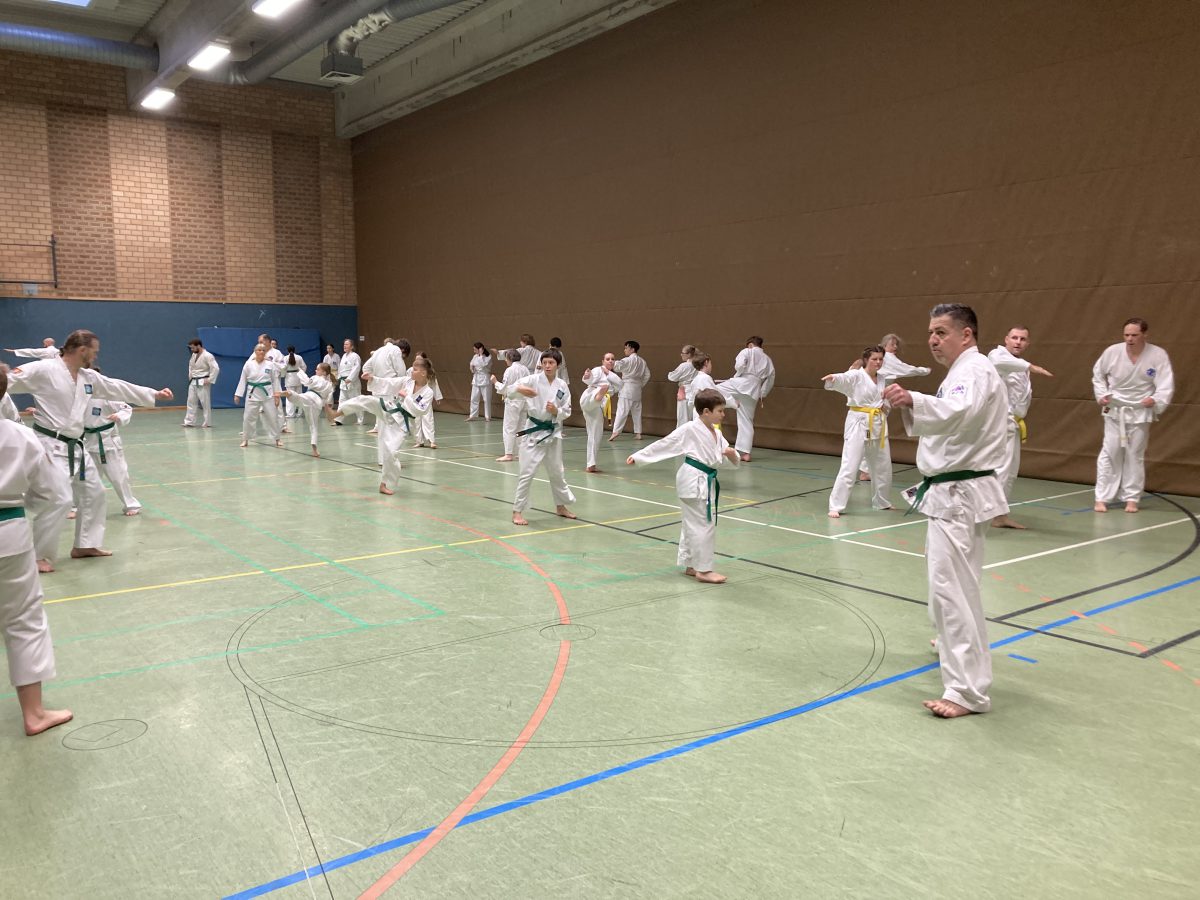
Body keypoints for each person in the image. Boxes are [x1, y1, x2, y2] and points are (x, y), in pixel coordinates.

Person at [883, 303, 1009, 719]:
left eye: (941, 332)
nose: (933, 340)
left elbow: (958, 413)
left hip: (959, 493)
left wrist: (912, 397)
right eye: (930, 333)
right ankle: (950, 645)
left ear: (966, 334)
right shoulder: (963, 372)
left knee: (951, 589)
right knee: (952, 586)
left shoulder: (974, 370)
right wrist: (913, 403)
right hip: (953, 492)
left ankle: (967, 691)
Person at [7, 330, 171, 573]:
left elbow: (117, 387)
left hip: (76, 445)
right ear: (82, 350)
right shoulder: (44, 369)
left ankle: (86, 545)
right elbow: (7, 381)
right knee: (60, 500)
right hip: (50, 445)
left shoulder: (87, 377)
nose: (95, 357)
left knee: (94, 493)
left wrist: (153, 394)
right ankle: (40, 556)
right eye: (94, 352)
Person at [0, 367, 73, 735]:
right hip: (8, 533)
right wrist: (18, 497)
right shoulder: (20, 436)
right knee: (23, 619)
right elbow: (51, 492)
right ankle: (34, 714)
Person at [627, 388, 740, 583]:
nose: (723, 414)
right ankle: (704, 570)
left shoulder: (715, 432)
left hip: (702, 479)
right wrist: (640, 456)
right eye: (720, 411)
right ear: (706, 412)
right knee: (703, 525)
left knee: (691, 523)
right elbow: (667, 444)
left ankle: (690, 564)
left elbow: (727, 455)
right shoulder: (690, 429)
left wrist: (732, 454)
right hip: (694, 480)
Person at [1092, 318, 1174, 514]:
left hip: (1140, 409)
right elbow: (1098, 375)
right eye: (1126, 335)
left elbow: (1166, 382)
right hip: (1115, 408)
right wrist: (1102, 395)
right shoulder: (1112, 352)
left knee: (1135, 455)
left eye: (1134, 335)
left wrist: (1156, 399)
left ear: (1145, 334)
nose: (1129, 339)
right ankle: (1102, 497)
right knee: (1110, 452)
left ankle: (1131, 498)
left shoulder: (1158, 354)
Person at [987, 327, 1054, 528]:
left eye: (1022, 339)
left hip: (1013, 423)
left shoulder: (1020, 366)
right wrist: (1031, 367)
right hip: (1001, 422)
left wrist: (1027, 367)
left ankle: (999, 514)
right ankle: (993, 514)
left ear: (1028, 343)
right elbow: (998, 361)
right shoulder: (997, 355)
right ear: (1006, 339)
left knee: (1010, 471)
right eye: (1014, 338)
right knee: (1001, 469)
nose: (1018, 342)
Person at [821, 346, 894, 518]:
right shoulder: (857, 375)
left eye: (880, 359)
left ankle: (882, 501)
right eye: (874, 359)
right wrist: (834, 378)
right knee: (850, 465)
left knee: (883, 466)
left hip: (878, 423)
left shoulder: (883, 379)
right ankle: (836, 505)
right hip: (858, 423)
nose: (878, 362)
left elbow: (885, 400)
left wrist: (885, 407)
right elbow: (844, 378)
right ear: (866, 360)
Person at [506, 349, 576, 525]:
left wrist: (556, 411)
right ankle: (517, 511)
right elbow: (509, 390)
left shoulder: (562, 385)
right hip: (533, 432)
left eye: (551, 363)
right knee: (527, 473)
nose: (547, 366)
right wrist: (519, 388)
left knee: (557, 472)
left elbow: (567, 409)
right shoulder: (533, 380)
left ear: (558, 365)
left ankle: (561, 506)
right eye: (544, 362)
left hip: (553, 432)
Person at [855, 334, 930, 481]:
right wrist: (924, 370)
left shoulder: (880, 360)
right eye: (892, 344)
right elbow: (905, 369)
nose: (895, 347)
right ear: (884, 345)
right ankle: (865, 470)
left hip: (877, 402)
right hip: (875, 403)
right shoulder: (887, 358)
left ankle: (867, 469)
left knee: (873, 435)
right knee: (872, 435)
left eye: (896, 344)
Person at [362, 358, 436, 495]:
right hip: (392, 413)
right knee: (365, 400)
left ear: (423, 373)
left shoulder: (428, 392)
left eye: (415, 369)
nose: (411, 371)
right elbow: (389, 383)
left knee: (391, 452)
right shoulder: (407, 381)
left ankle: (384, 484)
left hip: (404, 424)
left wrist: (407, 397)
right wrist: (373, 378)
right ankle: (338, 412)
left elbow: (419, 410)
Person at [82, 395, 141, 516]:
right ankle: (81, 506)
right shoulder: (78, 397)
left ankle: (131, 504)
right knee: (86, 478)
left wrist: (119, 416)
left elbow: (126, 408)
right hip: (87, 442)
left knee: (118, 476)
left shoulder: (106, 395)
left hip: (108, 442)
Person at [720, 336, 775, 462]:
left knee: (712, 390)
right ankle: (745, 453)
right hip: (754, 389)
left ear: (750, 344)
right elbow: (771, 378)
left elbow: (739, 365)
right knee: (746, 421)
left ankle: (731, 403)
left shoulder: (747, 351)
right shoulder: (768, 359)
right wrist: (762, 393)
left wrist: (739, 372)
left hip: (741, 383)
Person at [276, 363, 335, 457]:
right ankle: (314, 449)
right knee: (313, 426)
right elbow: (327, 400)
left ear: (324, 372)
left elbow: (306, 381)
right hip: (318, 404)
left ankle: (288, 393)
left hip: (309, 397)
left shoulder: (316, 378)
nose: (315, 371)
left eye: (317, 369)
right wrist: (329, 413)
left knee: (298, 397)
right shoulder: (330, 385)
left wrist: (300, 371)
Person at [235, 343, 283, 449]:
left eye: (263, 350)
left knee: (272, 416)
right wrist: (238, 394)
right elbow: (242, 379)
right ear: (255, 351)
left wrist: (277, 395)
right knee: (248, 417)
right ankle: (245, 439)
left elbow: (275, 380)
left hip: (268, 393)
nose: (261, 352)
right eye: (259, 350)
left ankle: (277, 438)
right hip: (252, 393)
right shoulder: (248, 364)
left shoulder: (270, 364)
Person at [580, 352, 621, 472]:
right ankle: (598, 395)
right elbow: (588, 380)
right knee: (598, 392)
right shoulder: (598, 370)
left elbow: (620, 384)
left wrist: (609, 373)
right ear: (603, 361)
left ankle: (591, 464)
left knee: (595, 434)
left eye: (612, 359)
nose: (610, 361)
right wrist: (587, 375)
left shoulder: (613, 376)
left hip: (598, 407)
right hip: (589, 397)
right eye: (607, 359)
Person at [491, 350, 530, 462]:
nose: (505, 361)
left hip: (513, 401)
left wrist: (495, 382)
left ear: (509, 359)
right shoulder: (525, 369)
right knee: (521, 427)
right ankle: (521, 453)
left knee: (509, 427)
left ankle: (508, 454)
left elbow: (505, 388)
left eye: (506, 358)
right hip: (524, 401)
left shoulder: (509, 370)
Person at [609, 340, 651, 441]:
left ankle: (615, 432)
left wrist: (610, 362)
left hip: (627, 388)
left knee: (622, 411)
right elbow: (647, 375)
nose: (625, 350)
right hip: (637, 389)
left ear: (632, 349)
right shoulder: (642, 361)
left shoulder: (628, 360)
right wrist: (640, 384)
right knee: (637, 411)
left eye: (626, 348)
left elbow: (618, 365)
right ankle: (638, 433)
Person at [182, 338, 219, 428]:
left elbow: (215, 368)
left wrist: (210, 379)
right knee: (191, 401)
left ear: (199, 346)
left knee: (205, 403)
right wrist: (190, 375)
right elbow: (191, 366)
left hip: (203, 381)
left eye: (193, 347)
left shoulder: (208, 355)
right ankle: (189, 421)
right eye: (191, 348)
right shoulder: (194, 355)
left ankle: (207, 422)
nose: (192, 350)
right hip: (193, 381)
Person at [413, 351, 442, 449]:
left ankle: (431, 441)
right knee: (416, 420)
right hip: (415, 398)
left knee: (428, 419)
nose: (417, 361)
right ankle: (419, 441)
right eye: (416, 359)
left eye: (419, 359)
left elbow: (434, 384)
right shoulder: (412, 371)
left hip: (426, 397)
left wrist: (437, 397)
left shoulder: (430, 372)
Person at [666, 345, 698, 428]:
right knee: (693, 417)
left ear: (689, 354)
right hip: (695, 392)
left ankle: (681, 435)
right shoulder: (698, 365)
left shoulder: (684, 366)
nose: (681, 354)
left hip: (684, 391)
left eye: (683, 353)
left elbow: (672, 377)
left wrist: (670, 374)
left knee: (682, 418)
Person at [336, 339, 363, 425]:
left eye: (347, 344)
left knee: (356, 401)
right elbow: (341, 369)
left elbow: (356, 368)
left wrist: (350, 378)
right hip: (343, 382)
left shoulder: (355, 356)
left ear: (352, 346)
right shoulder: (344, 356)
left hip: (352, 383)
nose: (344, 346)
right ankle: (338, 420)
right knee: (341, 401)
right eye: (344, 344)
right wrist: (338, 377)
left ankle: (360, 420)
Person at [467, 342, 493, 421]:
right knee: (474, 398)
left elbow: (483, 365)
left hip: (485, 378)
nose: (474, 351)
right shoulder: (475, 356)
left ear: (480, 349)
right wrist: (471, 368)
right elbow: (471, 364)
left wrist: (481, 355)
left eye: (475, 349)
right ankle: (472, 415)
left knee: (486, 399)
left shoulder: (488, 356)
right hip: (476, 379)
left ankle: (487, 416)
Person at [280, 346, 307, 420]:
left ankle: (290, 414)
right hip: (298, 378)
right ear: (294, 350)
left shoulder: (285, 358)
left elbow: (282, 368)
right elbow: (304, 367)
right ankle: (299, 413)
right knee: (299, 396)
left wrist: (283, 375)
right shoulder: (299, 357)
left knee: (289, 396)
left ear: (287, 350)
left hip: (289, 378)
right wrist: (301, 374)